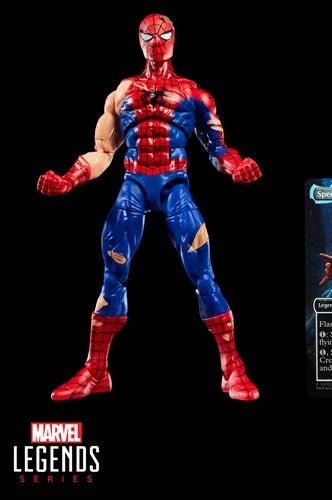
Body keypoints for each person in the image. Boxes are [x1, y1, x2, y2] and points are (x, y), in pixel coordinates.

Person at [37, 13, 261, 402]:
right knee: (113, 276)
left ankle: (232, 368)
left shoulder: (194, 94)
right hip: (135, 184)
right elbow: (103, 150)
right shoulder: (122, 92)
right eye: (148, 35)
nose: (156, 41)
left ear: (174, 38)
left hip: (174, 185)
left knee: (203, 275)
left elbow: (217, 148)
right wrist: (69, 179)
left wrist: (236, 166)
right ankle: (96, 371)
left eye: (163, 34)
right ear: (139, 40)